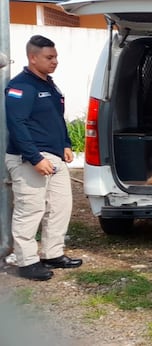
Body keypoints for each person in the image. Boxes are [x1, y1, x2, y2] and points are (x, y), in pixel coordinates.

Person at [5, 35, 82, 282]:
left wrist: (66, 144)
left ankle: (52, 253)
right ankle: (26, 261)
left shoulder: (49, 84)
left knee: (60, 207)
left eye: (56, 56)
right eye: (49, 57)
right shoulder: (22, 86)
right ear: (32, 57)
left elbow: (57, 119)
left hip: (54, 156)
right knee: (31, 209)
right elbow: (17, 124)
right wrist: (35, 158)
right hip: (30, 158)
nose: (55, 61)